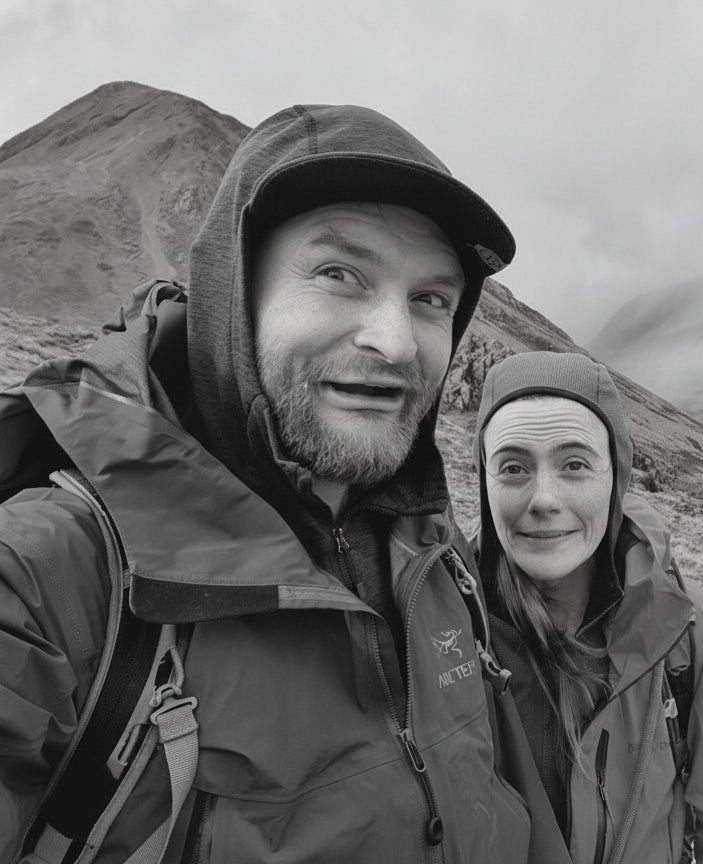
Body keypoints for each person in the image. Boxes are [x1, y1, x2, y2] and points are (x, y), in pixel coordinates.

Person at [0, 105, 567, 864]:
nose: (395, 343)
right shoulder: (47, 578)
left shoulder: (433, 548)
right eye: (340, 274)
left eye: (431, 298)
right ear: (232, 298)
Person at [471, 350, 703, 864]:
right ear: (484, 483)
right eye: (512, 467)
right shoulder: (441, 626)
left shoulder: (688, 630)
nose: (544, 498)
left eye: (575, 464)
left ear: (616, 480)